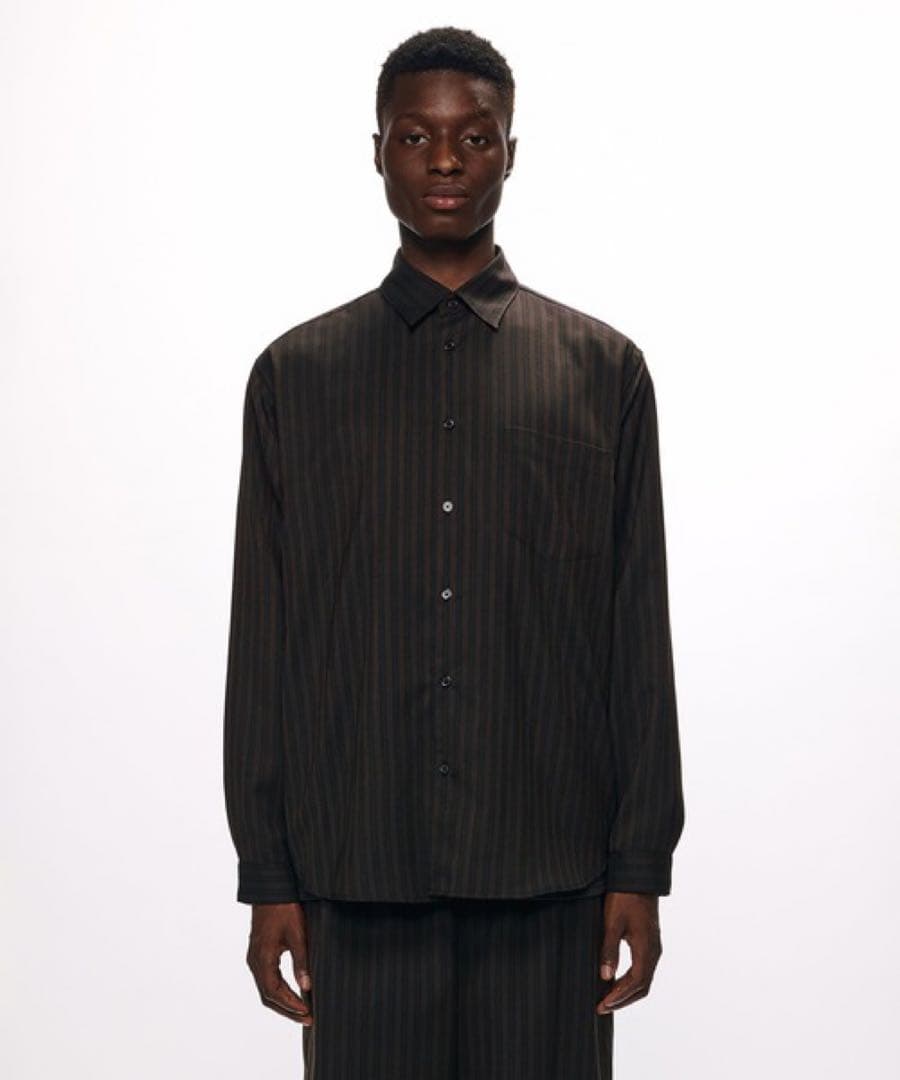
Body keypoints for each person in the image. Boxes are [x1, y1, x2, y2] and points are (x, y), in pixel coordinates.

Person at [223, 25, 685, 1080]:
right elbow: (266, 638)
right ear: (377, 151)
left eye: (473, 137)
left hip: (552, 872)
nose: (444, 160)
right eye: (415, 136)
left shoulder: (602, 371)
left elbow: (635, 632)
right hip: (356, 870)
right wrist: (267, 874)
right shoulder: (295, 378)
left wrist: (640, 862)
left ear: (510, 153)